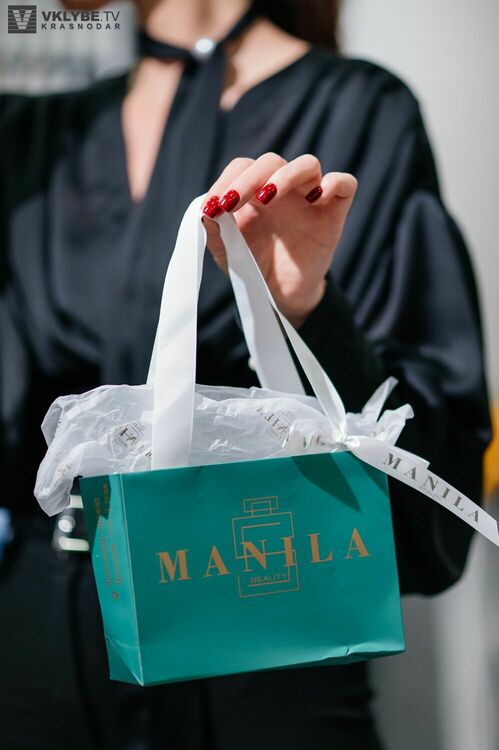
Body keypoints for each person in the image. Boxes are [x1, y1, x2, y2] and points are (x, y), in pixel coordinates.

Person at [0, 0, 491, 748]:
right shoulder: (31, 135)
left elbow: (435, 494)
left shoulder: (360, 111)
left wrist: (303, 310)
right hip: (36, 666)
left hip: (267, 647)